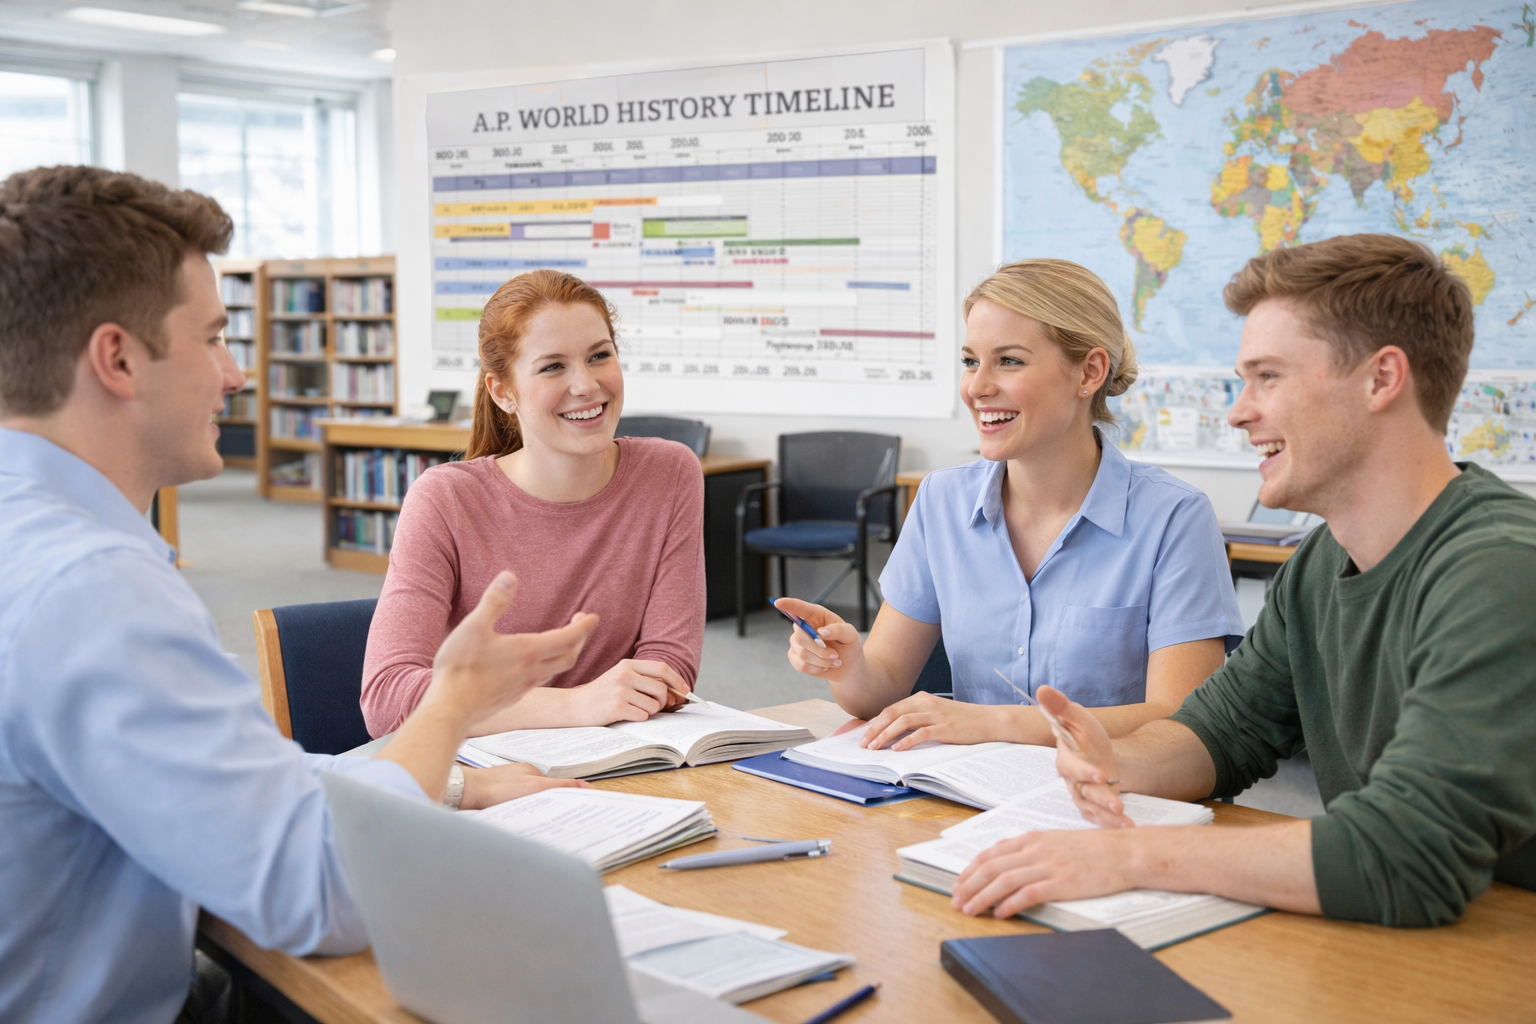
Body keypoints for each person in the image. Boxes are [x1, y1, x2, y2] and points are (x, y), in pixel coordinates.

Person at [0, 166, 598, 1024]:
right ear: (118, 358)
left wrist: (455, 786)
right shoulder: (91, 591)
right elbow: (322, 896)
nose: (235, 374)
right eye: (211, 337)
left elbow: (221, 779)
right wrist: (453, 707)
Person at [952, 234, 1536, 928]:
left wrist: (1134, 856)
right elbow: (1221, 731)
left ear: (1381, 379)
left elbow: (1406, 855)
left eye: (1268, 377)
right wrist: (1118, 764)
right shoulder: (1321, 565)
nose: (1238, 411)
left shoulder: (1499, 568)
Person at [781, 259, 1243, 751]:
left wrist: (999, 723)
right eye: (970, 361)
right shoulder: (941, 501)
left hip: (1113, 801)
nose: (978, 387)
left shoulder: (1174, 518)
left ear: (1089, 371)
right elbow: (882, 688)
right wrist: (849, 664)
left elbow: (1182, 718)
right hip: (967, 797)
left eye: (1009, 361)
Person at [360, 270, 706, 738]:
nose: (586, 385)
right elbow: (386, 698)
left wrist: (614, 704)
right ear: (503, 392)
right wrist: (575, 705)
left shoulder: (670, 473)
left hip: (621, 761)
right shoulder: (444, 498)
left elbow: (669, 666)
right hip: (486, 775)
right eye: (553, 366)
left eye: (599, 356)